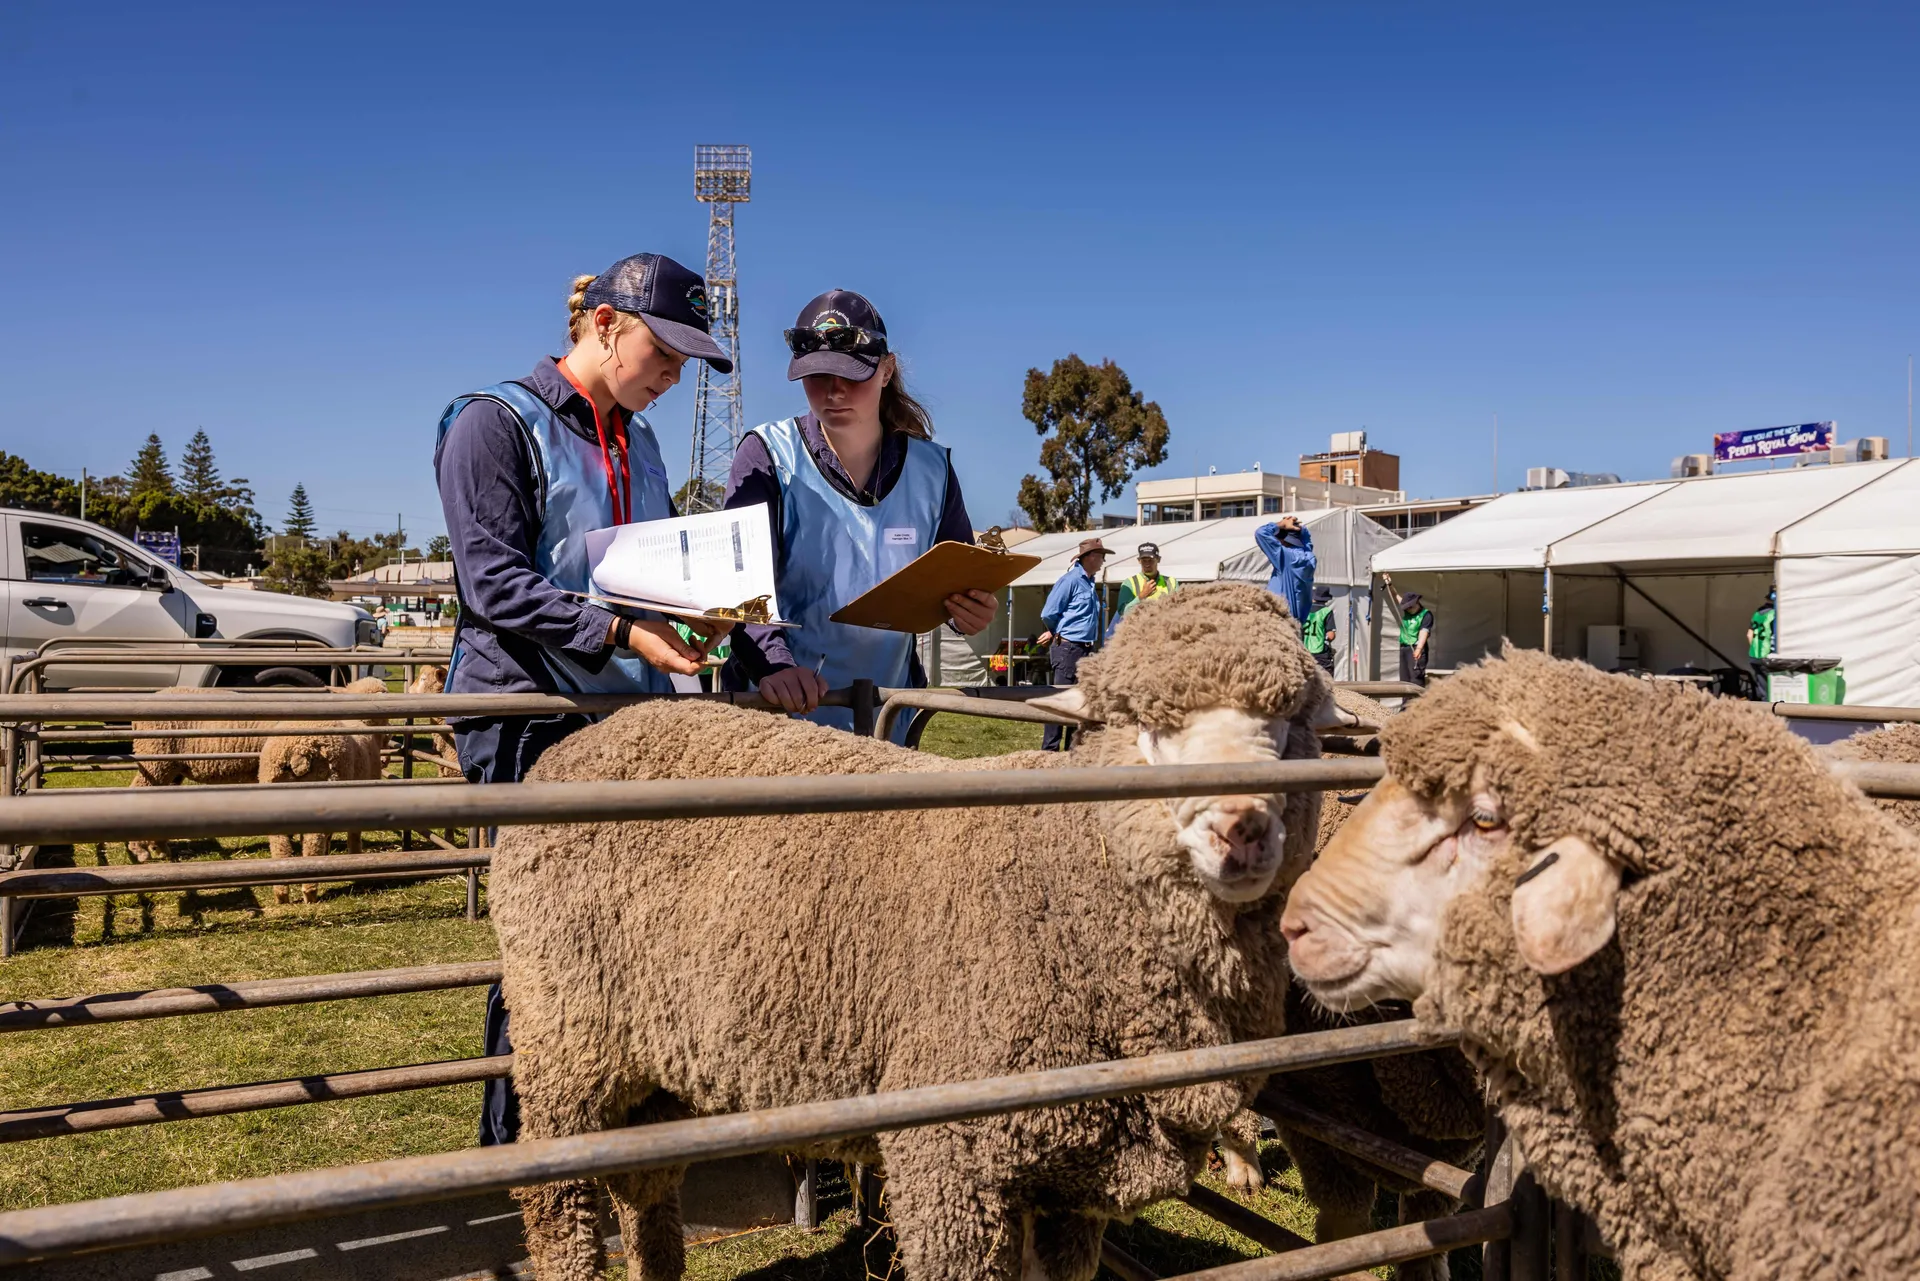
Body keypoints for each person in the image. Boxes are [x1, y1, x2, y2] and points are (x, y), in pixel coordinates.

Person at [434, 252, 735, 1146]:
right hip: (526, 713)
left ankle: (614, 1148)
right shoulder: (494, 424)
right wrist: (619, 633)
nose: (677, 375)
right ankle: (519, 1161)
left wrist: (699, 620)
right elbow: (493, 582)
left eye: (688, 360)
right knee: (547, 950)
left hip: (622, 716)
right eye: (667, 352)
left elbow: (651, 570)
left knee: (629, 939)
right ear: (605, 324)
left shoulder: (638, 440)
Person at [722, 290, 996, 734]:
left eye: (853, 375)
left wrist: (969, 611)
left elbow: (955, 582)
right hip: (782, 717)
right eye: (818, 376)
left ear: (886, 370)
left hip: (889, 716)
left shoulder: (934, 471)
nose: (834, 392)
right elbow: (736, 587)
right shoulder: (767, 455)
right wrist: (773, 666)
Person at [1038, 538, 1108, 750]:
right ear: (1091, 557)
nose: (1104, 561)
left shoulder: (1088, 582)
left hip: (1084, 648)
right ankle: (1049, 751)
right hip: (1069, 648)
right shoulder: (1070, 581)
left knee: (1078, 700)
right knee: (1061, 698)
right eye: (1102, 556)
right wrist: (1055, 631)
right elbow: (1049, 612)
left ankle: (1071, 749)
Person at [1255, 515, 1317, 622]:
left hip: (1280, 621)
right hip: (1296, 624)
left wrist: (1281, 524)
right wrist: (1299, 528)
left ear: (1283, 541)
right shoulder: (1309, 558)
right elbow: (1307, 541)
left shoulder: (1287, 557)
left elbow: (1260, 533)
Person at [1106, 541, 1176, 635]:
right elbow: (1124, 614)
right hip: (1138, 636)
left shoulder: (1171, 582)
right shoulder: (1129, 583)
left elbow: (1179, 610)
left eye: (1150, 560)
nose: (1147, 564)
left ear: (1158, 559)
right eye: (1144, 560)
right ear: (1139, 560)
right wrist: (1142, 596)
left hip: (1165, 634)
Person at [1397, 591, 1433, 686]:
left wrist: (1419, 649)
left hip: (1416, 648)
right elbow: (1397, 598)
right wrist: (1390, 585)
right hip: (1404, 648)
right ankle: (1405, 701)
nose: (1408, 609)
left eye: (1410, 607)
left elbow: (1423, 633)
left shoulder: (1426, 615)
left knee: (1416, 679)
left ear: (1416, 603)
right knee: (1404, 680)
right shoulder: (1407, 610)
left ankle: (1418, 701)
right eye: (1406, 607)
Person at [1748, 589, 1778, 701]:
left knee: (1763, 689)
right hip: (1768, 655)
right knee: (1774, 689)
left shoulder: (1756, 614)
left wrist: (1755, 648)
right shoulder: (1774, 614)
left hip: (1754, 655)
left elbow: (1749, 635)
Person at [1302, 585, 1337, 675]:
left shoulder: (1304, 610)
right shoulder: (1326, 611)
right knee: (1325, 680)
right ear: (1326, 599)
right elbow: (1330, 635)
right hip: (1320, 652)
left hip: (1303, 650)